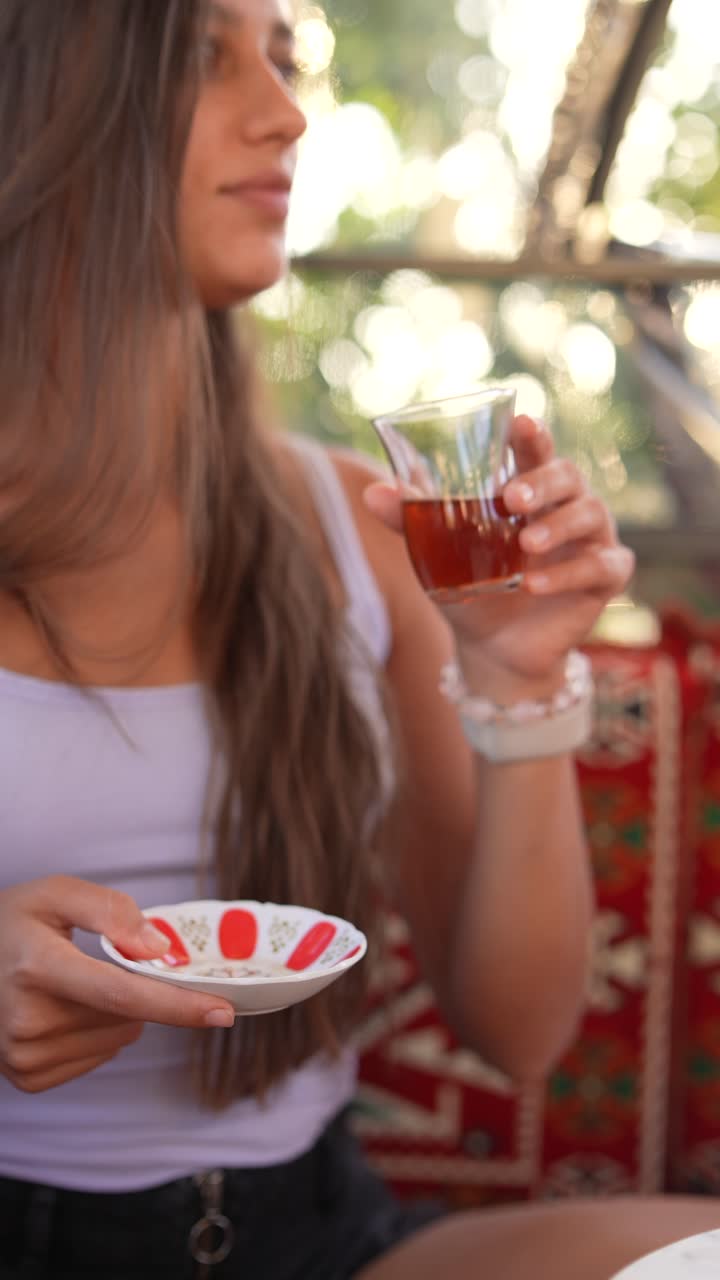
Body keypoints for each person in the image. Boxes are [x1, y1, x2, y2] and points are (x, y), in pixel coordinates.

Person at [0, 2, 717, 1278]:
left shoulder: (352, 524)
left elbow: (522, 1027)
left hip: (315, 1235)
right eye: (201, 59)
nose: (285, 113)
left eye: (283, 58)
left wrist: (520, 680)